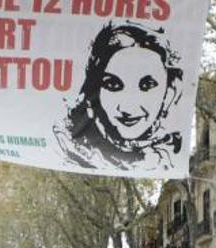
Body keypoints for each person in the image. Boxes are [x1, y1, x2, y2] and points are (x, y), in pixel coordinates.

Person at [54, 22, 184, 172]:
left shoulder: (171, 154)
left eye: (147, 85)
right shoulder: (71, 148)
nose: (128, 108)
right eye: (113, 85)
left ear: (170, 92)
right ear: (93, 91)